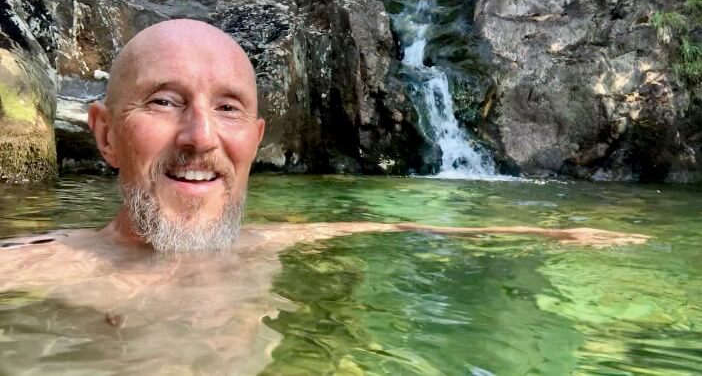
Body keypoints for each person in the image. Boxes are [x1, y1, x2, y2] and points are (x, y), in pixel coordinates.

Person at [0, 19, 648, 373]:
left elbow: (388, 232)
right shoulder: (41, 264)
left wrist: (554, 237)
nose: (200, 136)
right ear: (106, 135)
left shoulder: (270, 242)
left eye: (227, 108)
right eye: (165, 101)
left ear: (254, 140)